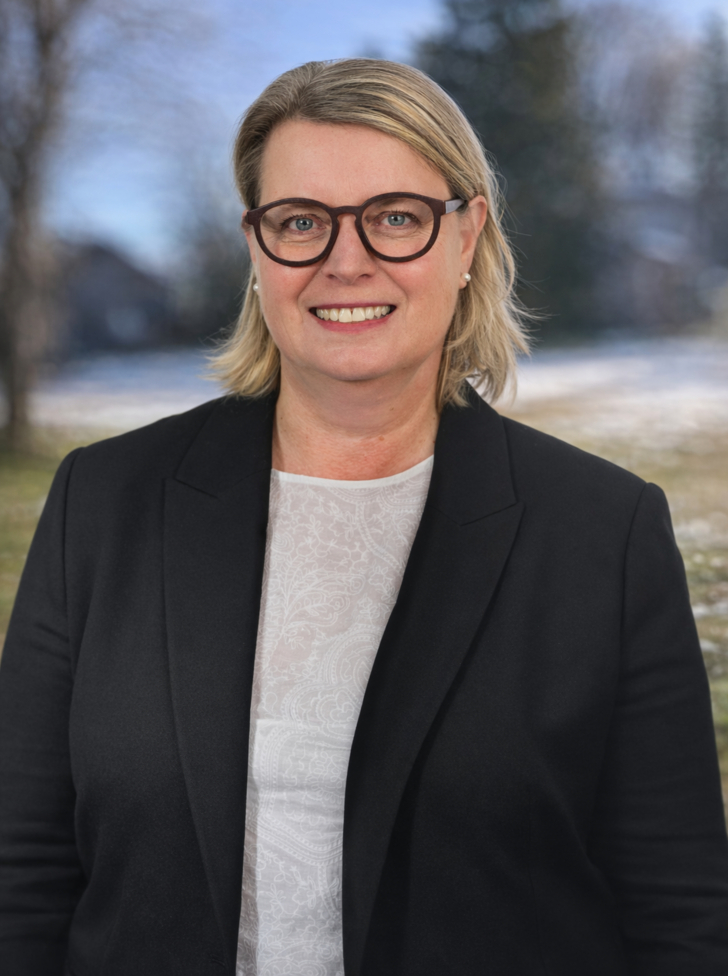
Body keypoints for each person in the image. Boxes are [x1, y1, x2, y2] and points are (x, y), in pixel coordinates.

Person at [1, 58, 727, 976]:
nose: (346, 261)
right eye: (301, 221)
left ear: (467, 237)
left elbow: (678, 909)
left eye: (396, 217)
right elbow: (21, 873)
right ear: (256, 247)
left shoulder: (603, 533)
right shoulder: (104, 504)